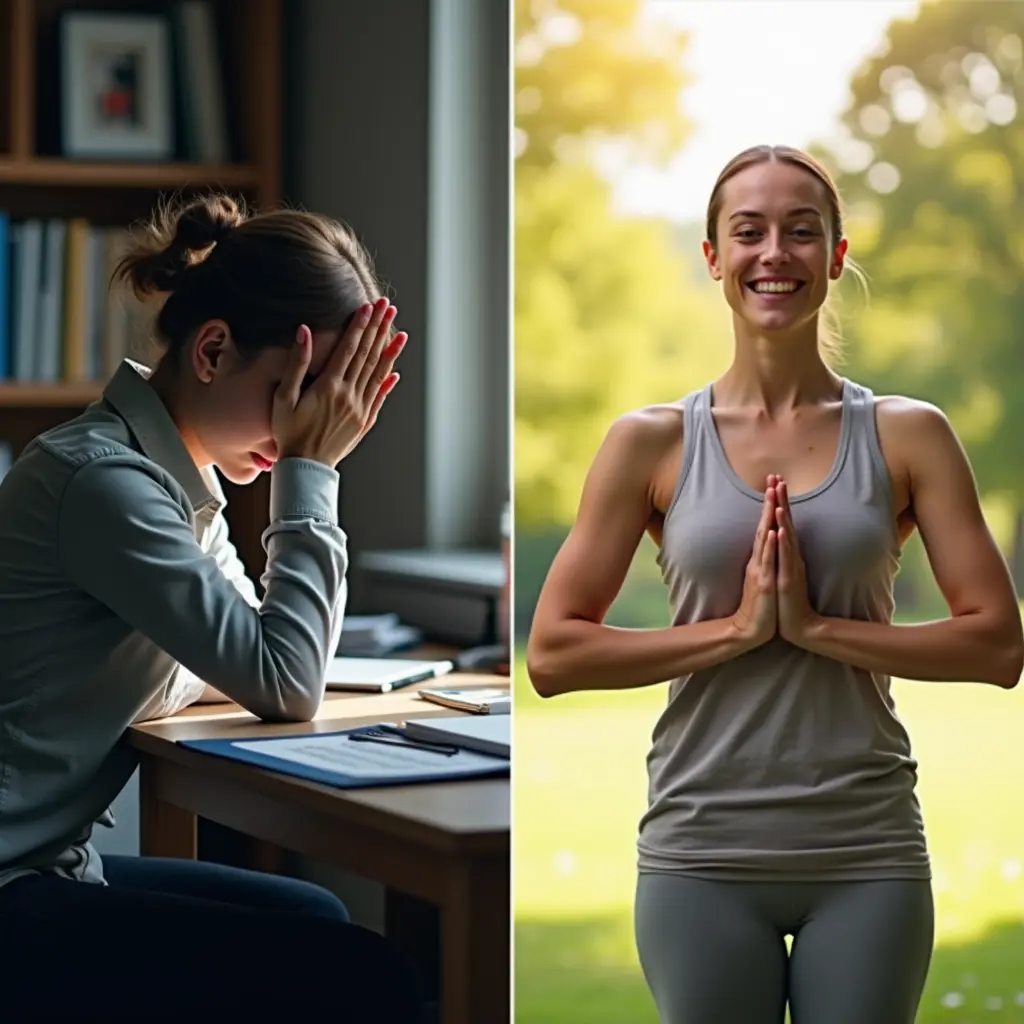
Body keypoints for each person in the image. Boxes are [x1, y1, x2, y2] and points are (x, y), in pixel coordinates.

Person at [526, 145, 1024, 1024]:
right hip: (701, 852)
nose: (775, 254)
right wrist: (736, 632)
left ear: (835, 256)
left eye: (802, 232)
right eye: (748, 232)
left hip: (866, 850)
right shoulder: (649, 442)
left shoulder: (910, 435)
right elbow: (555, 653)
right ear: (714, 256)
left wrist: (820, 629)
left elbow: (997, 644)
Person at [0, 193, 422, 1022]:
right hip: (14, 880)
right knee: (364, 975)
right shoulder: (108, 485)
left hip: (51, 864)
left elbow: (249, 656)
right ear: (214, 349)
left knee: (317, 918)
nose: (309, 419)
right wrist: (311, 470)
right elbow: (283, 677)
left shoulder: (169, 481)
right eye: (296, 389)